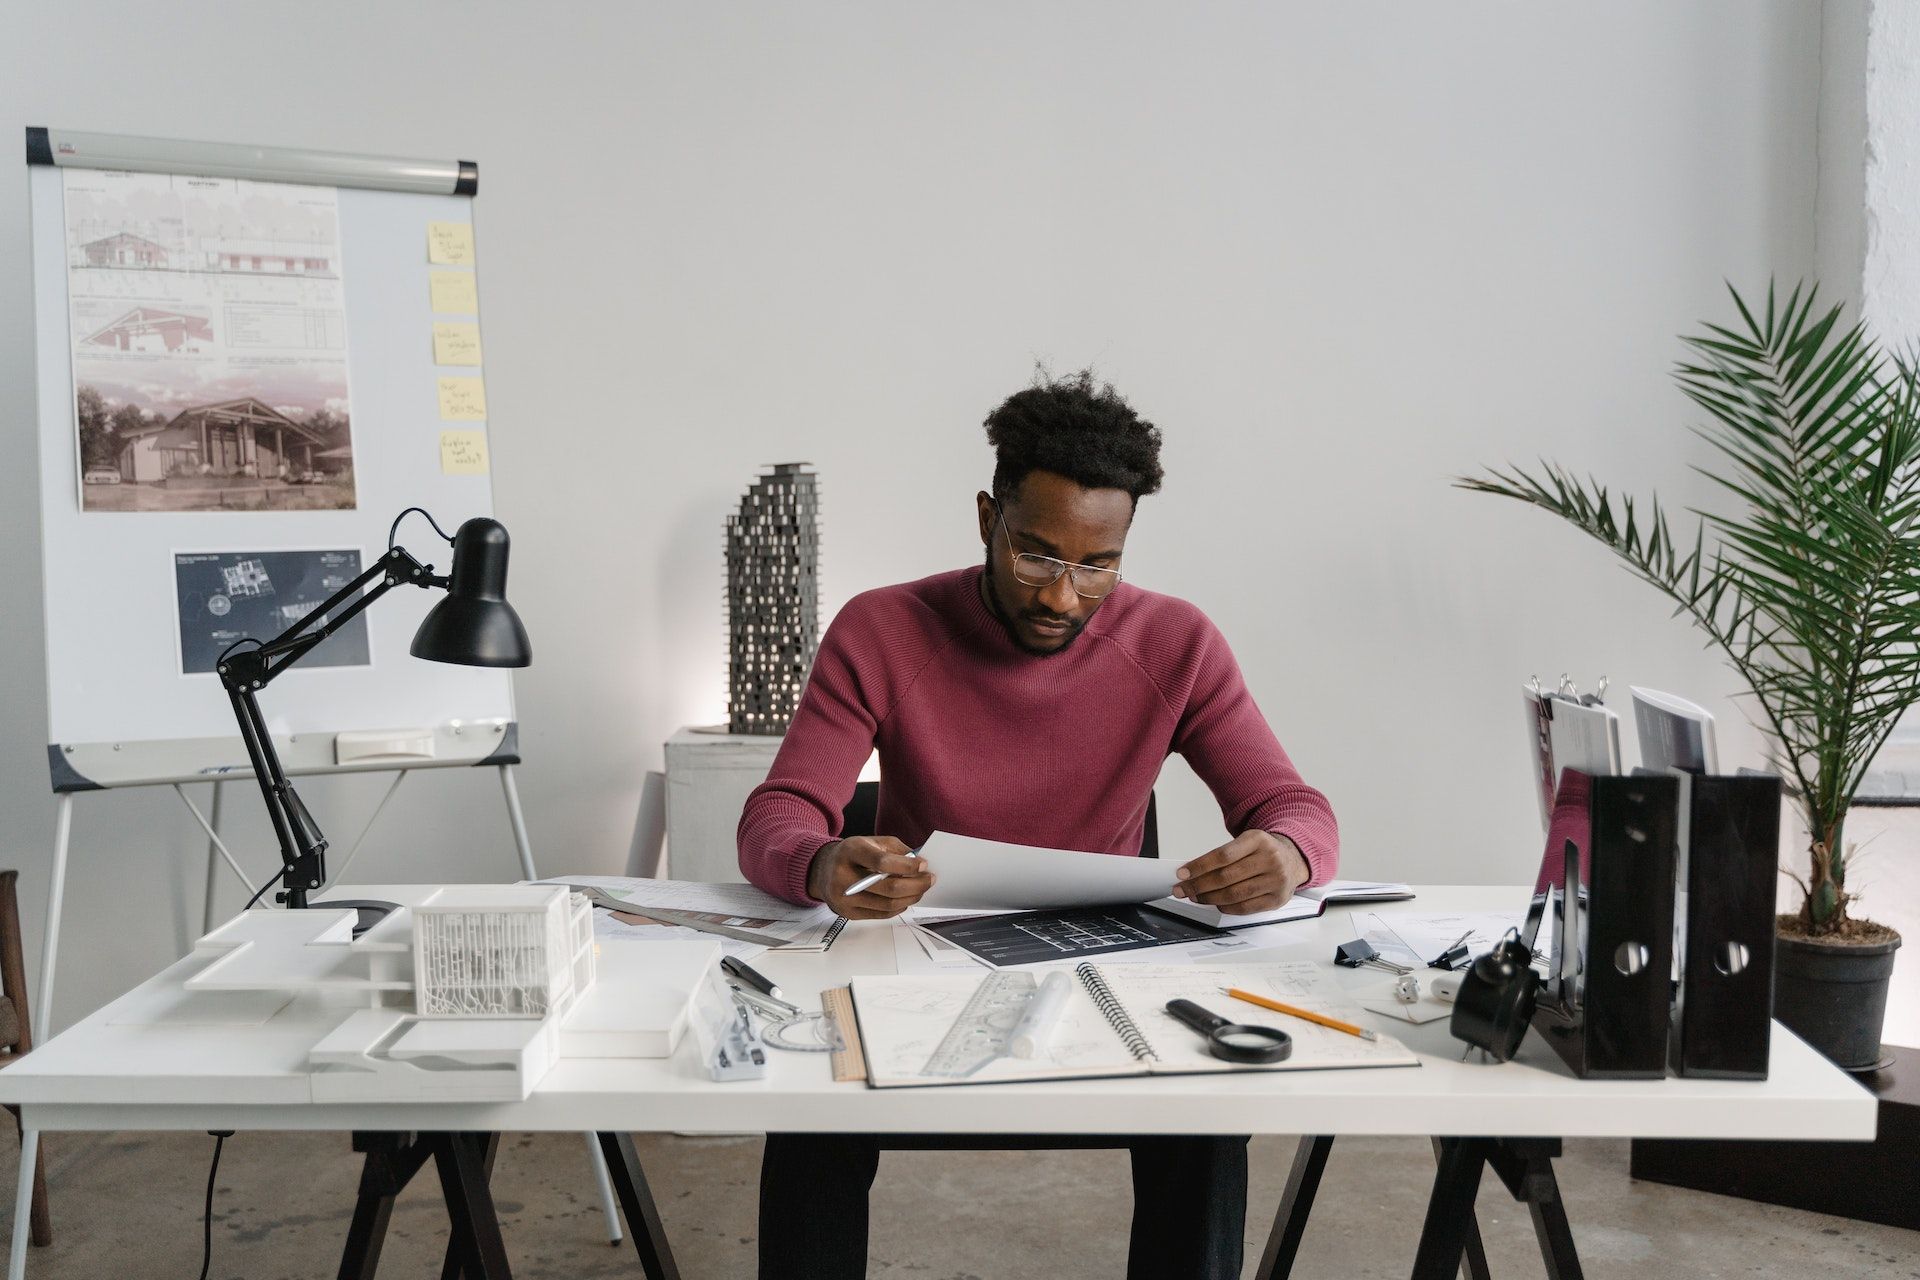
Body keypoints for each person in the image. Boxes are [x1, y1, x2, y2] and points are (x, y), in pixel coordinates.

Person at [737, 370, 1339, 1280]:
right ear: (988, 519)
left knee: (1208, 1109)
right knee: (813, 1101)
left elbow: (1296, 810)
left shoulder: (1175, 644)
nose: (1062, 595)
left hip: (1109, 970)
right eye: (1036, 555)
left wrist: (1286, 856)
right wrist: (823, 864)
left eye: (1097, 565)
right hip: (914, 967)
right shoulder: (885, 630)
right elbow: (776, 816)